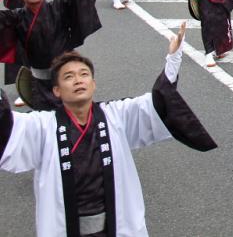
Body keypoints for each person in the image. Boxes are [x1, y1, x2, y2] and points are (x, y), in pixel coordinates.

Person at [0, 23, 217, 236]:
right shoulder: (42, 126)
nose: (78, 80)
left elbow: (159, 101)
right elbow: (5, 125)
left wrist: (173, 59)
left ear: (93, 84)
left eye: (84, 74)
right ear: (56, 90)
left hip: (115, 227)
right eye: (68, 76)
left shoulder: (116, 115)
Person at [0, 0, 110, 111]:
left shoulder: (60, 6)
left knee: (75, 119)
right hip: (39, 84)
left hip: (66, 80)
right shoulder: (16, 17)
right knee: (47, 125)